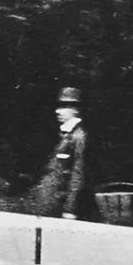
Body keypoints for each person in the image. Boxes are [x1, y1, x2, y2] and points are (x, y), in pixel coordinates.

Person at [33, 86, 91, 220]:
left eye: (64, 107)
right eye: (58, 107)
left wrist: (70, 208)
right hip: (47, 197)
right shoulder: (64, 134)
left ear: (76, 110)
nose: (58, 111)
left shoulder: (78, 137)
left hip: (58, 201)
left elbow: (78, 174)